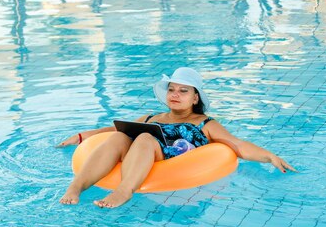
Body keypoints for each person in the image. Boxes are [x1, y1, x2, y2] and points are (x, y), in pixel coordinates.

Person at [57, 67, 296, 208]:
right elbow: (109, 131)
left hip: (171, 159)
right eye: (171, 89)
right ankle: (76, 188)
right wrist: (81, 136)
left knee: (144, 139)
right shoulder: (152, 117)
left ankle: (124, 190)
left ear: (195, 98)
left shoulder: (205, 124)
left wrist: (268, 156)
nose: (175, 94)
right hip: (138, 155)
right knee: (120, 138)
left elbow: (236, 145)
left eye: (183, 91)